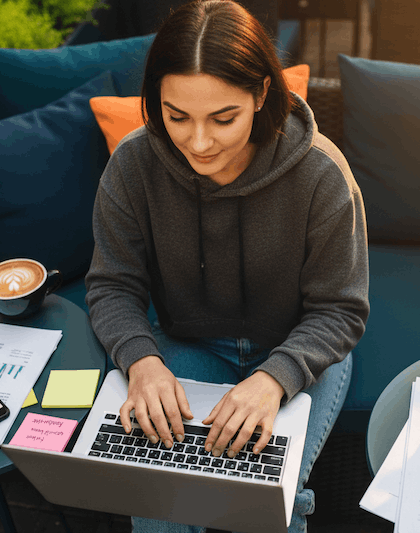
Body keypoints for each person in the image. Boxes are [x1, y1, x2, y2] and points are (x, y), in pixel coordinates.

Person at [84, 1, 369, 531]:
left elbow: (340, 309)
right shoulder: (132, 164)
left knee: (266, 503)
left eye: (223, 118)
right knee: (157, 496)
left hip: (300, 351)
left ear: (261, 94)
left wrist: (274, 380)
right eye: (176, 117)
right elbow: (111, 284)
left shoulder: (322, 174)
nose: (198, 142)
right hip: (190, 344)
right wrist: (141, 363)